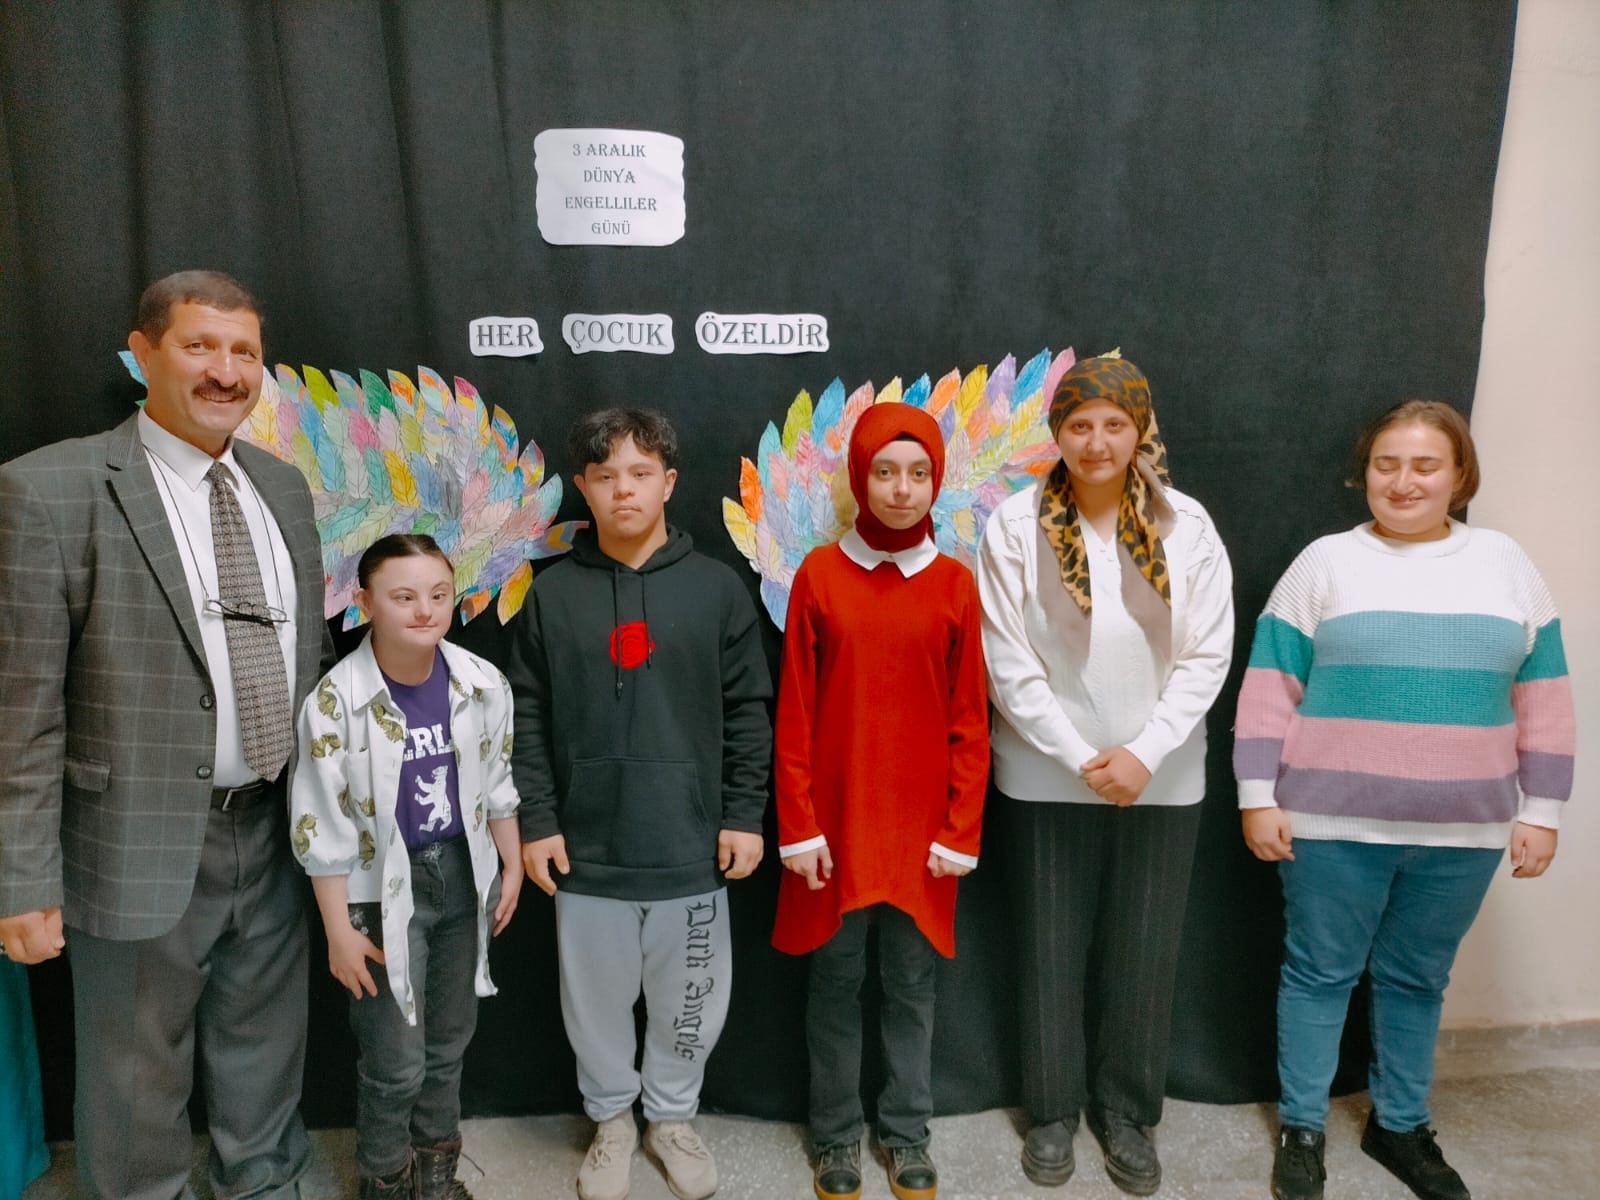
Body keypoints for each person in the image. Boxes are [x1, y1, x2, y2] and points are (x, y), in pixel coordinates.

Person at [0, 270, 332, 1200]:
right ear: (142, 353)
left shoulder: (283, 488)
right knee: (135, 1070)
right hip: (130, 837)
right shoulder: (49, 489)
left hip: (273, 826)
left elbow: (306, 658)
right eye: (200, 346)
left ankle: (261, 1182)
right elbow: (20, 713)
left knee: (266, 1043)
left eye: (244, 352)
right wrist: (21, 881)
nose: (226, 370)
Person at [1235, 400, 1575, 1200]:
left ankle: (1400, 1124)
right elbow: (1268, 687)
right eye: (1386, 464)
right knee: (1319, 974)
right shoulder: (1324, 563)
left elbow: (1546, 698)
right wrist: (1256, 795)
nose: (1404, 481)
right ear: (1365, 474)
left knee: (1417, 980)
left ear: (1460, 475)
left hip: (1465, 832)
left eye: (1426, 465)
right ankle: (1302, 1127)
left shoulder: (1506, 565)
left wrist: (1543, 810)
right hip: (1329, 824)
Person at [976, 355, 1234, 1195]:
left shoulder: (1187, 525)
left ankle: (1126, 1112)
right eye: (1079, 424)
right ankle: (1052, 1111)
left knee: (1144, 951)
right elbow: (1007, 661)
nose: (1096, 441)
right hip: (1045, 774)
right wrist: (1079, 756)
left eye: (1114, 425)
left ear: (1139, 431)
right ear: (1057, 432)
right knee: (1047, 949)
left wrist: (1143, 753)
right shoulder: (1014, 525)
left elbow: (1207, 655)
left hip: (1163, 777)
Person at [509, 409, 773, 1200]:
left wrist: (744, 814)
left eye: (639, 473)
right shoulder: (552, 597)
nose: (622, 489)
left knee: (691, 1001)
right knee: (593, 1006)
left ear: (669, 482)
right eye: (605, 476)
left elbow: (749, 712)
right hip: (587, 849)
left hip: (691, 845)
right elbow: (525, 716)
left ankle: (672, 1119)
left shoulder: (717, 590)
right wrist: (538, 822)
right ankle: (613, 1124)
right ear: (583, 487)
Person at [773, 404, 989, 1200]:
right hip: (834, 831)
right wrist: (799, 826)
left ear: (936, 481)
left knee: (911, 987)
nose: (902, 489)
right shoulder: (820, 575)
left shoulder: (954, 584)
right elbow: (795, 712)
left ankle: (905, 1133)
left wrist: (960, 830)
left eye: (919, 473)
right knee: (833, 987)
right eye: (886, 472)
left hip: (921, 835)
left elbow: (971, 721)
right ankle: (836, 1137)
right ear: (860, 479)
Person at [290, 534, 525, 1200]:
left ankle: (437, 1172)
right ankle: (385, 1176)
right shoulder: (335, 702)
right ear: (366, 602)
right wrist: (338, 930)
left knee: (449, 1042)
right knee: (395, 1058)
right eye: (404, 596)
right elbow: (320, 826)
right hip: (378, 892)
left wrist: (509, 864)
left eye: (439, 594)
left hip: (463, 876)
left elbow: (498, 783)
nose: (425, 610)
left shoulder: (482, 683)